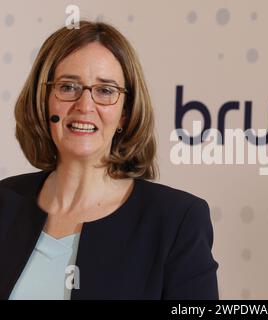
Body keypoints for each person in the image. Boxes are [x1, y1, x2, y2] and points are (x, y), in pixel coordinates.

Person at [0, 20, 219, 300]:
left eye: (105, 90)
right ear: (43, 100)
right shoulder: (4, 203)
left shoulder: (177, 220)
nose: (84, 105)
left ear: (125, 114)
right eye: (68, 87)